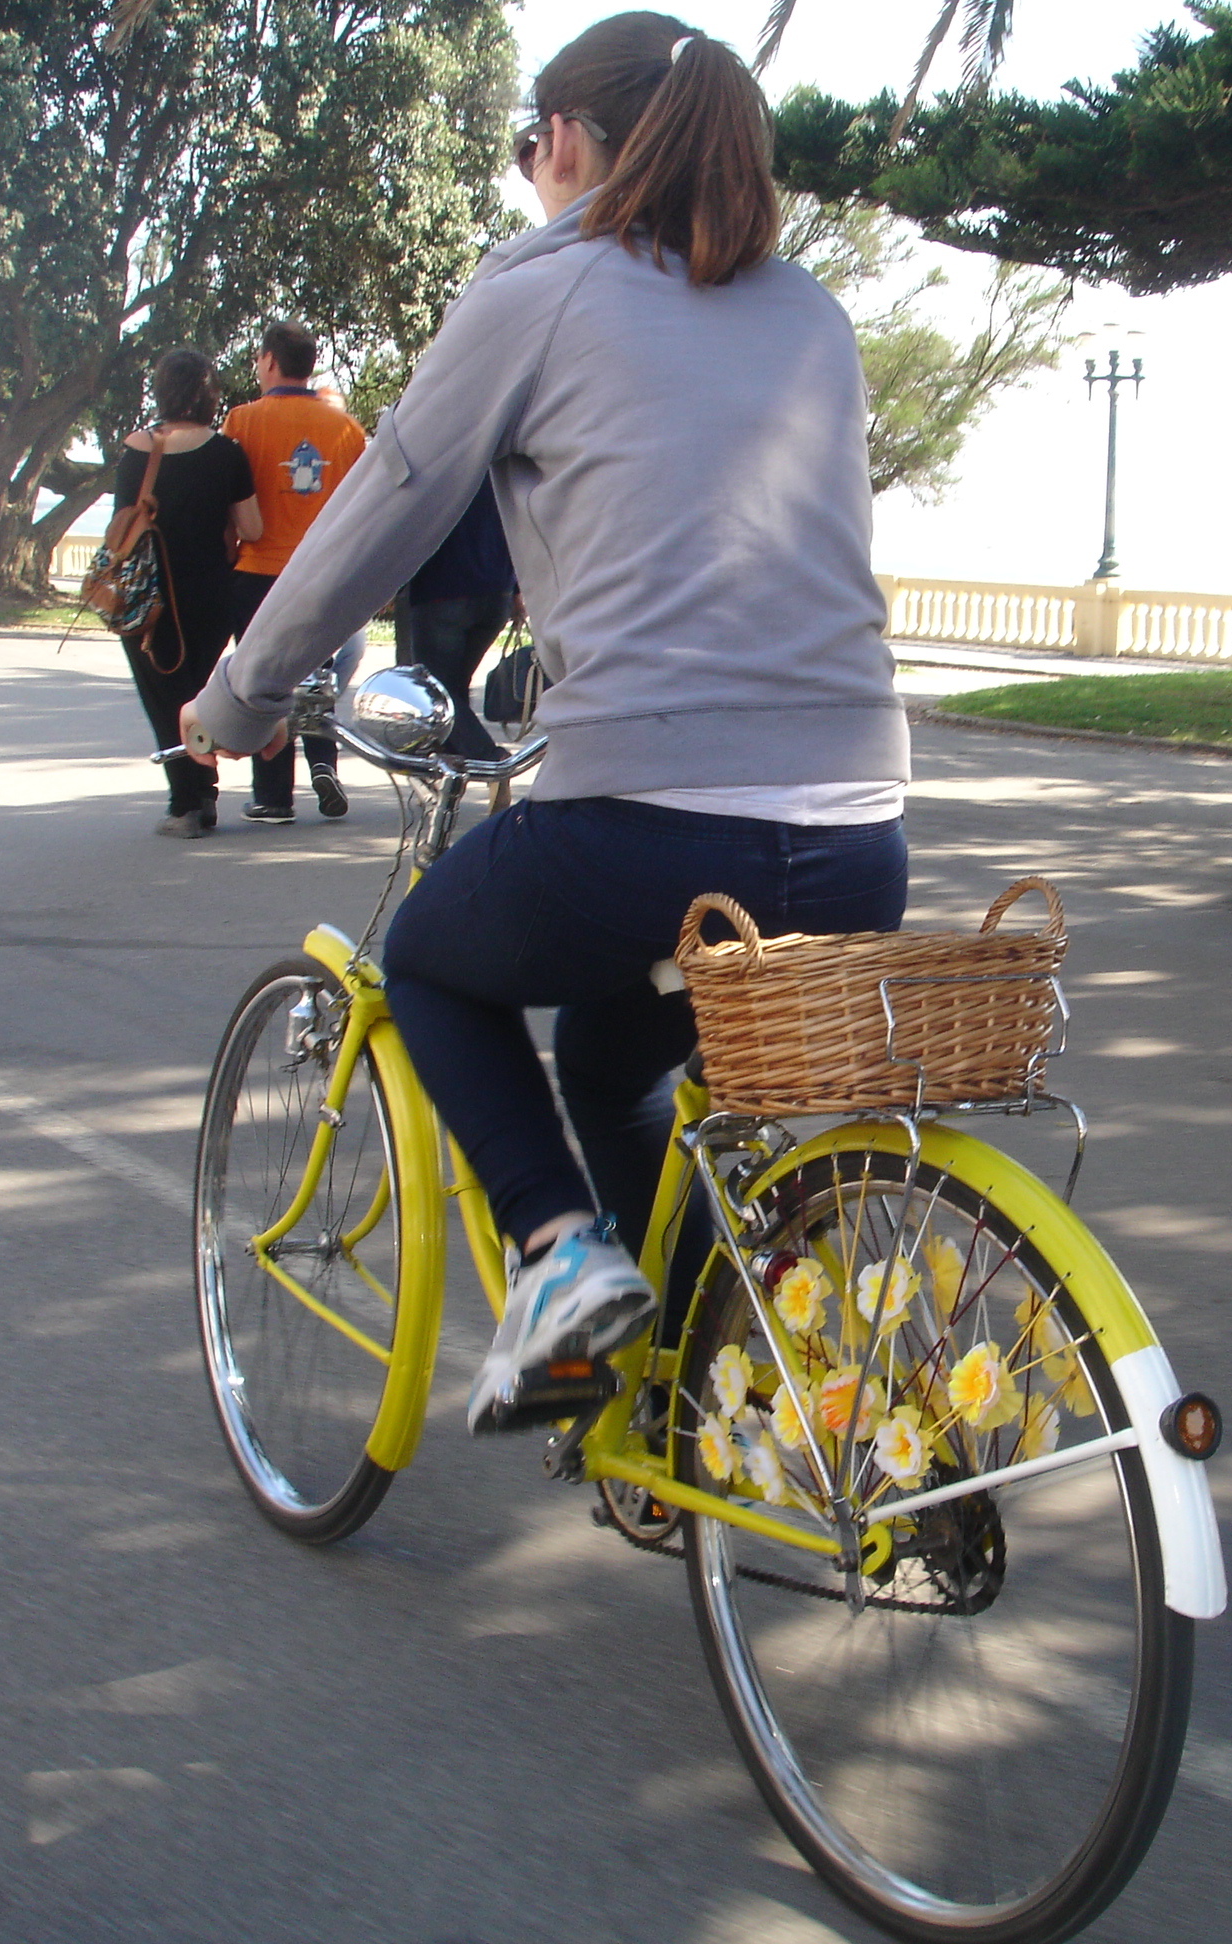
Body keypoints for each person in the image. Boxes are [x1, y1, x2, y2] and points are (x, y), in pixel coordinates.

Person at [185, 12, 906, 1433]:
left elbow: (383, 511)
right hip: (860, 839)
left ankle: (562, 1258)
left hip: (651, 830)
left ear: (569, 140)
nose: (530, 172)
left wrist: (241, 698)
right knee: (607, 1052)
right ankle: (691, 1397)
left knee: (429, 962)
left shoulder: (542, 288)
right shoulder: (812, 311)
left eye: (529, 146)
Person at [223, 321, 367, 822]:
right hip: (320, 573)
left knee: (264, 682)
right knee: (317, 676)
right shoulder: (346, 430)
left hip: (259, 570)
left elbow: (229, 497)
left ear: (269, 361)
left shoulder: (242, 421)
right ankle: (324, 763)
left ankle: (273, 795)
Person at [111, 350, 260, 837]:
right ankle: (205, 793)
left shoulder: (136, 449)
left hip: (149, 596)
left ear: (161, 390)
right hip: (211, 594)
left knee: (164, 698)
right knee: (196, 695)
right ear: (210, 394)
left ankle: (187, 805)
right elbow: (253, 528)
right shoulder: (227, 453)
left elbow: (121, 527)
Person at [394, 478, 521, 761]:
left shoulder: (438, 469)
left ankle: (488, 756)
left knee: (435, 689)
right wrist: (516, 589)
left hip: (440, 589)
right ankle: (455, 761)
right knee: (455, 685)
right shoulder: (501, 468)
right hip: (497, 589)